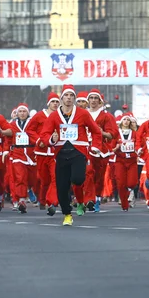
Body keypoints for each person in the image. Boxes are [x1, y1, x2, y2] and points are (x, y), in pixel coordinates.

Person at [39, 84, 103, 226]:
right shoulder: (54, 116)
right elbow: (44, 134)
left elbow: (96, 131)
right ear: (62, 98)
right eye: (66, 95)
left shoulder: (83, 114)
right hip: (61, 153)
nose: (68, 98)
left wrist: (95, 146)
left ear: (74, 98)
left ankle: (79, 198)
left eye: (71, 96)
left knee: (78, 179)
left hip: (78, 151)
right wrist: (51, 139)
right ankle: (67, 214)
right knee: (62, 187)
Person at [26, 93, 60, 215]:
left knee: (55, 178)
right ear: (48, 103)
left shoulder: (60, 116)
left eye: (57, 102)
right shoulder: (39, 116)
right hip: (42, 152)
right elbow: (29, 130)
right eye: (53, 102)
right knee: (44, 179)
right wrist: (38, 141)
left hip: (55, 153)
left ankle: (51, 202)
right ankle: (42, 199)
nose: (55, 104)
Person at [7, 103, 39, 214]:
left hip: (31, 153)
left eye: (24, 111)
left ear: (28, 113)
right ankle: (21, 200)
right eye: (20, 111)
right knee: (20, 177)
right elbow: (8, 136)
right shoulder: (12, 124)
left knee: (32, 179)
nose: (22, 113)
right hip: (18, 153)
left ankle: (30, 189)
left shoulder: (33, 123)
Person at [112, 112, 139, 211]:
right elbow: (112, 147)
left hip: (132, 160)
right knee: (120, 183)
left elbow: (140, 144)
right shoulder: (116, 133)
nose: (126, 121)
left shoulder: (135, 133)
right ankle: (124, 204)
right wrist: (116, 147)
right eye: (124, 119)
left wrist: (138, 150)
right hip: (120, 160)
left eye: (128, 120)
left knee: (132, 182)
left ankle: (128, 192)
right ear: (121, 122)